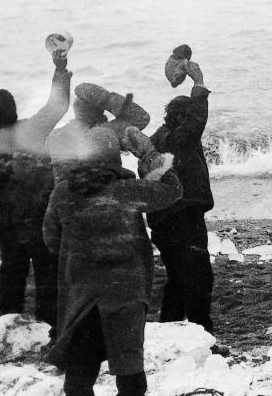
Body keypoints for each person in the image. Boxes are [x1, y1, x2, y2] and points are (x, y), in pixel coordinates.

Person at [43, 127, 182, 396]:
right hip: (125, 294)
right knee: (130, 374)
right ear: (115, 158)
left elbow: (51, 240)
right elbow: (172, 190)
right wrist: (149, 154)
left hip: (82, 296)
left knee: (79, 377)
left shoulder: (63, 191)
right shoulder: (127, 191)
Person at [0, 47, 73, 326]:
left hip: (11, 218)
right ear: (12, 110)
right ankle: (48, 327)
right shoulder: (31, 130)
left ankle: (8, 324)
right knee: (47, 272)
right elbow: (56, 107)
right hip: (39, 215)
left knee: (12, 273)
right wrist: (60, 70)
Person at [147, 53, 215, 333]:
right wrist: (198, 82)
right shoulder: (177, 141)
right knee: (199, 278)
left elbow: (192, 123)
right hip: (182, 219)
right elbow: (196, 120)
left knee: (177, 279)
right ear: (180, 120)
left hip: (165, 222)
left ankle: (170, 332)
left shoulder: (157, 138)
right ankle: (204, 335)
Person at [48, 83, 150, 182]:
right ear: (101, 110)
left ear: (75, 109)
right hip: (107, 185)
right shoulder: (108, 131)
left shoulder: (55, 135)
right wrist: (106, 98)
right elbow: (141, 118)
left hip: (68, 191)